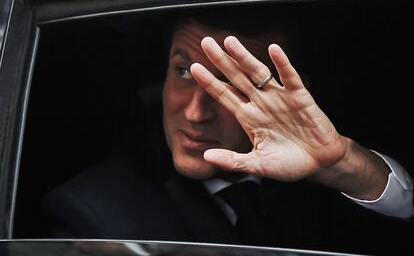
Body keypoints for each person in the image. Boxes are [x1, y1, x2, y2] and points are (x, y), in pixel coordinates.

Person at [41, 13, 413, 255]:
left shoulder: (328, 179)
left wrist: (342, 162)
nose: (195, 113)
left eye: (235, 85)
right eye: (184, 72)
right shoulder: (93, 214)